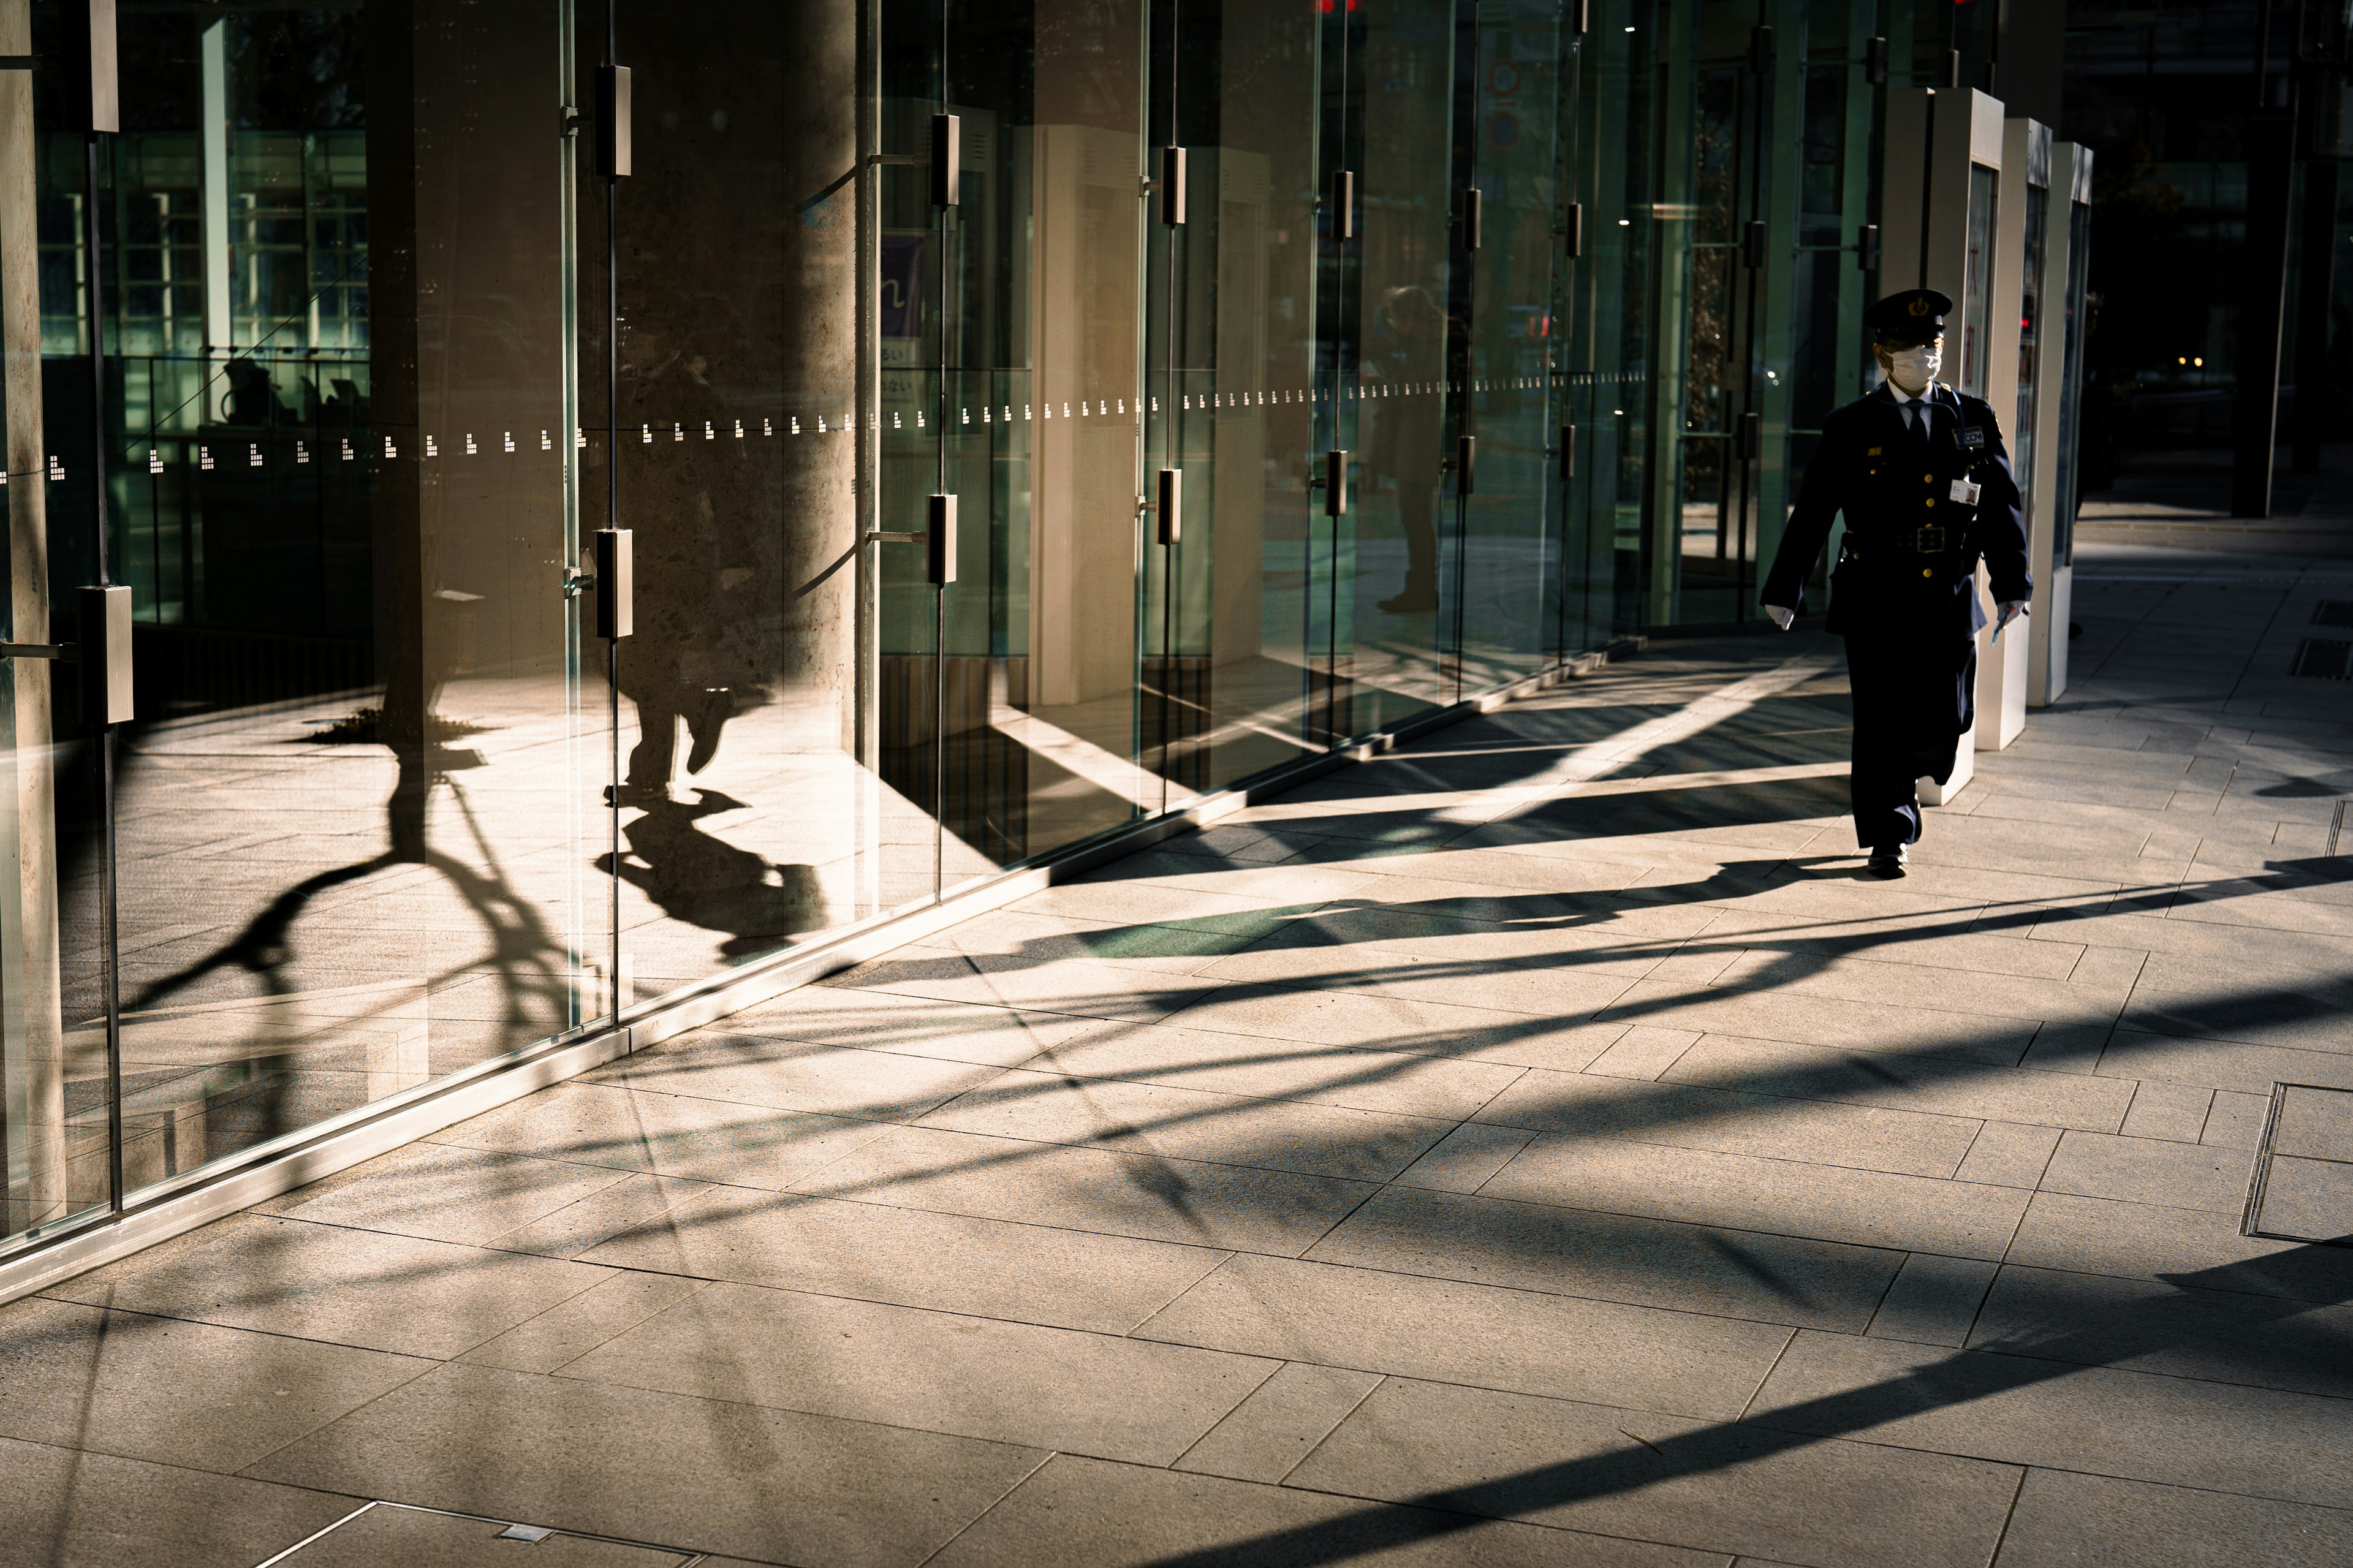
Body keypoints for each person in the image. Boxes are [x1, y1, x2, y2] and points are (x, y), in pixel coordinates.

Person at [1760, 287, 2029, 879]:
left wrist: (2013, 583)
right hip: (1876, 591)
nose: (1923, 357)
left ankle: (1912, 771)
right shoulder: (1852, 425)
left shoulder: (1973, 418)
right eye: (1909, 348)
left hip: (1950, 592)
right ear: (1884, 354)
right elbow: (1814, 511)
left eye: (1931, 345)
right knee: (1880, 718)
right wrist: (1786, 588)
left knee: (1946, 714)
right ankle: (1890, 832)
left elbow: (2001, 507)